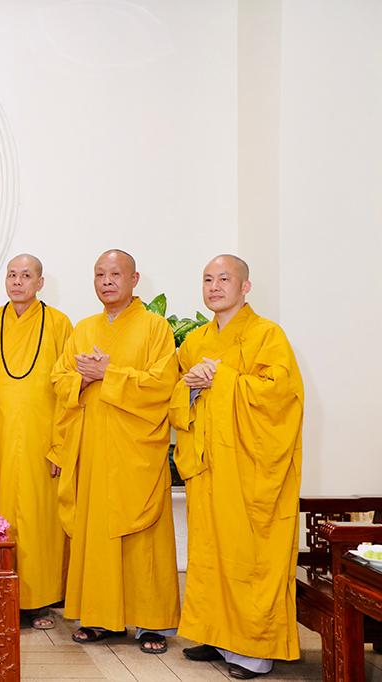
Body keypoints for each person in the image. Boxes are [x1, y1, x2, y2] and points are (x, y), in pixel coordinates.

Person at [171, 255, 303, 680]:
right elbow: (176, 396)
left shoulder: (268, 335)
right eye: (207, 279)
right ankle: (214, 633)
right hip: (209, 467)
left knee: (249, 557)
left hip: (249, 472)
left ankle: (251, 651)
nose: (213, 287)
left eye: (223, 279)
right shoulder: (195, 342)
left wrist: (220, 379)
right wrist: (189, 388)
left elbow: (280, 396)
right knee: (210, 555)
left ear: (245, 287)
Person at [49, 249, 180, 654]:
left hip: (135, 449)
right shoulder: (83, 328)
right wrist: (82, 381)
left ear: (135, 279)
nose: (107, 281)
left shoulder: (155, 328)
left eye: (115, 274)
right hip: (92, 447)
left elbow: (163, 384)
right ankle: (99, 618)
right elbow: (59, 378)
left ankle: (152, 623)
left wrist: (110, 374)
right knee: (95, 534)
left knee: (143, 534)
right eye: (100, 274)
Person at [0, 254, 73, 631]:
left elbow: (69, 391)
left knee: (41, 521)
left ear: (40, 282)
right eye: (11, 275)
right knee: (2, 518)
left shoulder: (59, 324)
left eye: (26, 275)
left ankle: (39, 600)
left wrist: (61, 445)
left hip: (44, 444)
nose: (17, 282)